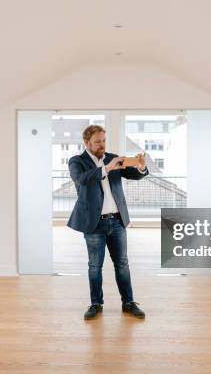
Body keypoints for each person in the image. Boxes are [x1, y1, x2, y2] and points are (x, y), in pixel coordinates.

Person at [67, 125, 148, 320]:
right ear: (87, 142)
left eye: (103, 140)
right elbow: (82, 180)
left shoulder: (112, 157)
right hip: (94, 224)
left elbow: (133, 175)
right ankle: (96, 304)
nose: (102, 145)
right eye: (97, 142)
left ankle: (128, 302)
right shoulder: (77, 161)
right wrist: (106, 168)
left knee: (123, 264)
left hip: (117, 222)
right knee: (95, 266)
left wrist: (141, 166)